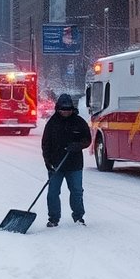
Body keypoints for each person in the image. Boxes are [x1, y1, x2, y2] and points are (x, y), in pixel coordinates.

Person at [41, 94, 91, 227]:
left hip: (74, 165)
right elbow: (45, 144)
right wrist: (48, 162)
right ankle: (53, 218)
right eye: (63, 109)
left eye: (68, 109)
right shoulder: (52, 123)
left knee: (77, 191)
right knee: (53, 193)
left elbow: (87, 139)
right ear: (58, 109)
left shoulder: (79, 122)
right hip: (56, 165)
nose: (66, 111)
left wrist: (78, 145)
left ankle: (78, 217)